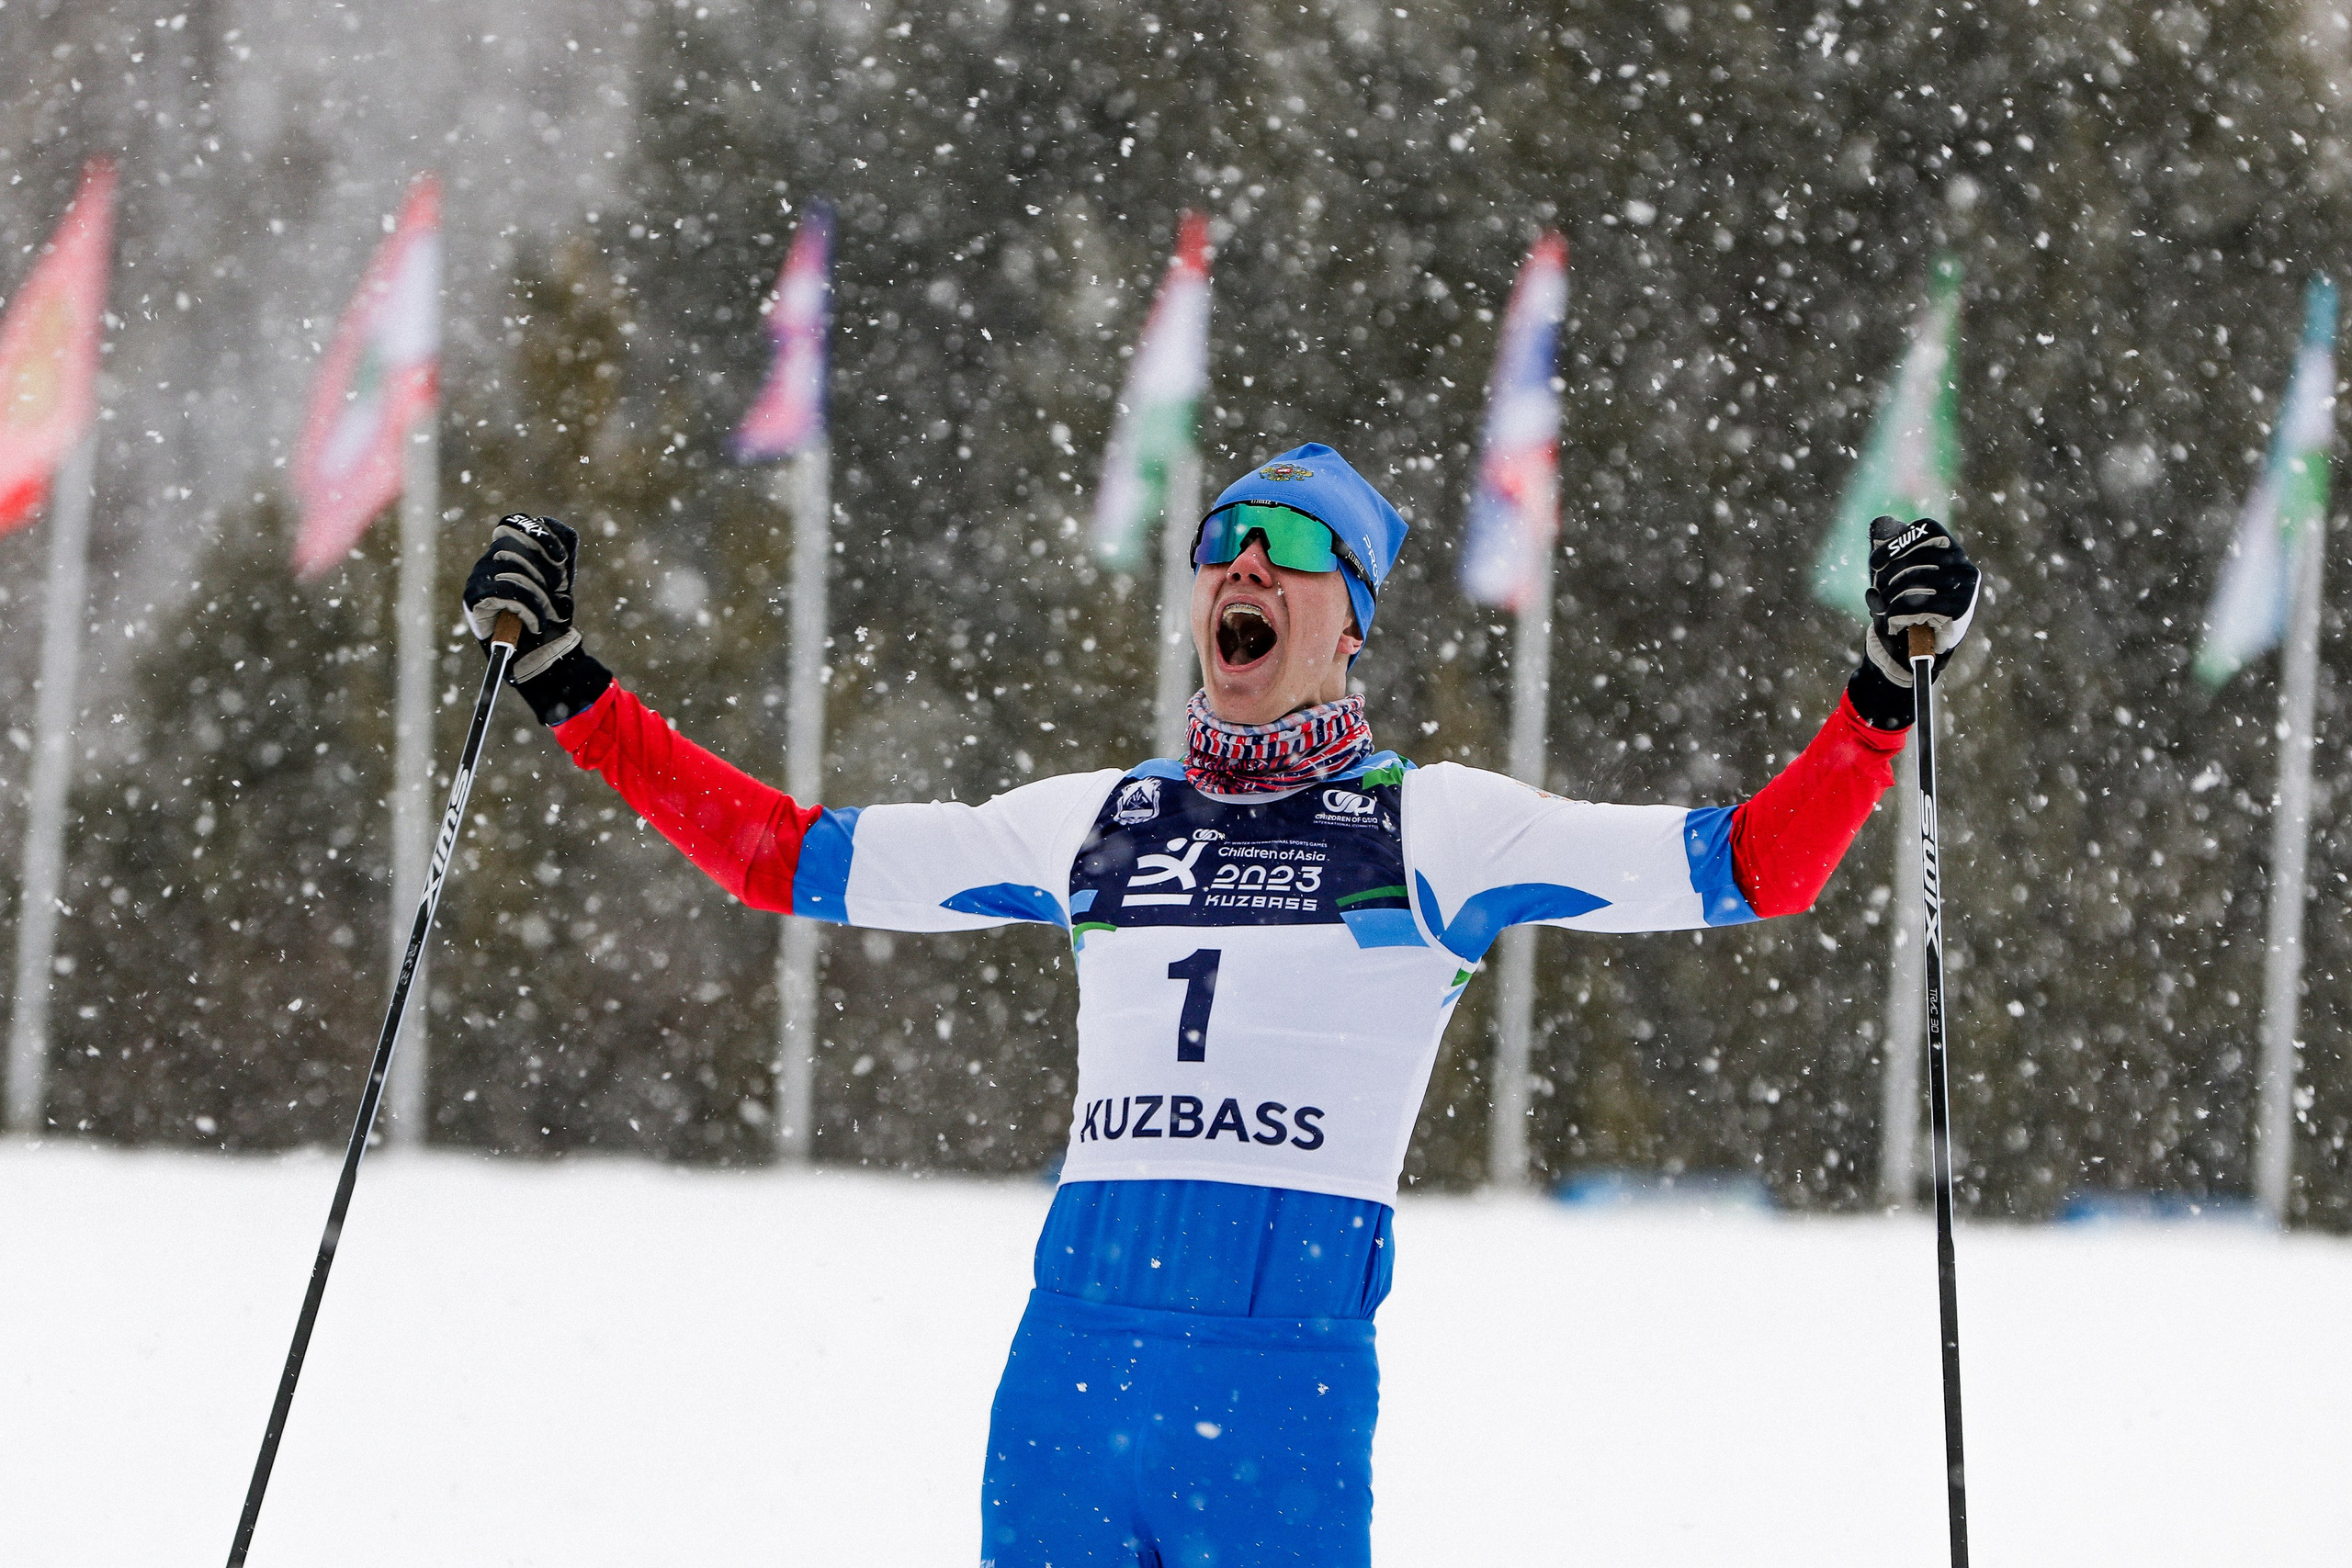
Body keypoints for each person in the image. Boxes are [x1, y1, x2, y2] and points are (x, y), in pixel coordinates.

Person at [461, 446, 1979, 1566]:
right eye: (1221, 543)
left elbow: (1756, 869)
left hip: (1275, 1386)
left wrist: (1873, 702)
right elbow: (787, 857)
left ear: (1350, 619)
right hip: (1070, 1363)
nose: (1242, 566)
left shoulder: (1436, 827)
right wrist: (570, 685)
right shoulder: (1093, 822)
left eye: (1288, 547)